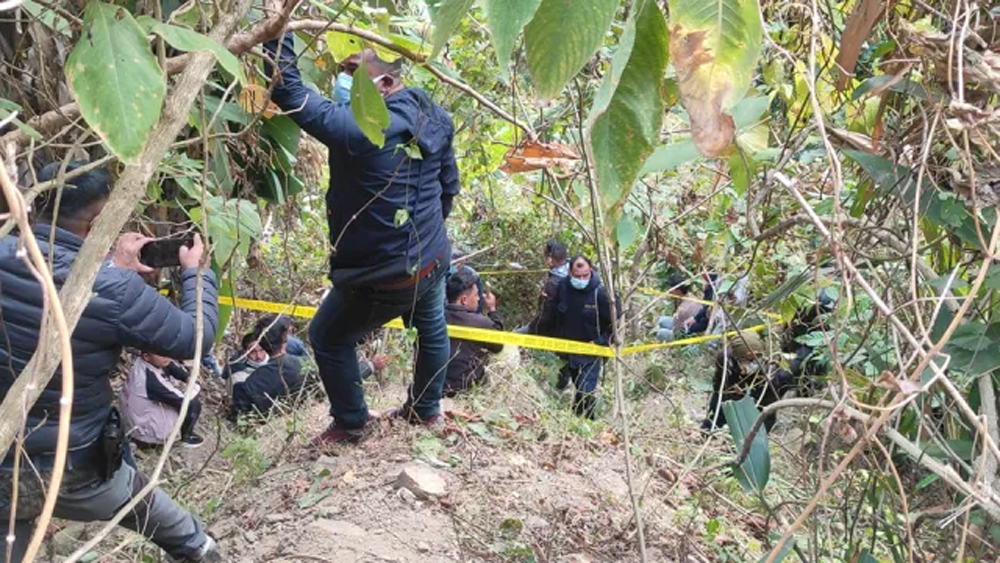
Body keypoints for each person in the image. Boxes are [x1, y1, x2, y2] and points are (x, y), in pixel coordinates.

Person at [0, 162, 221, 562]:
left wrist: (111, 268)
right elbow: (194, 337)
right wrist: (196, 274)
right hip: (75, 467)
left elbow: (56, 291)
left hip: (4, 459)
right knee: (149, 509)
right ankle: (200, 550)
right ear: (102, 219)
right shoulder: (112, 289)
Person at [264, 33, 459, 446]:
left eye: (353, 72)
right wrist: (421, 235)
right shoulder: (434, 115)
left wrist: (278, 28)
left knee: (328, 337)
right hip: (431, 257)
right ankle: (426, 412)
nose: (342, 78)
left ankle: (352, 422)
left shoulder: (364, 130)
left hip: (384, 274)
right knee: (432, 329)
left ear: (385, 86)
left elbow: (289, 91)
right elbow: (448, 189)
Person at [226, 315, 387, 420]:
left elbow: (238, 413)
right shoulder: (300, 366)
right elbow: (338, 379)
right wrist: (370, 366)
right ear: (285, 339)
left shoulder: (248, 383)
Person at [553, 255, 617, 419]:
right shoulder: (562, 288)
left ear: (591, 271)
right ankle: (576, 417)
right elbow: (555, 316)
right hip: (569, 350)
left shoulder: (601, 294)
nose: (581, 279)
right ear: (569, 273)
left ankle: (590, 422)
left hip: (592, 350)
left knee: (586, 388)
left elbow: (615, 325)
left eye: (585, 275)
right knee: (577, 385)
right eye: (577, 276)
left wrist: (600, 342)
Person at [702, 331, 793, 432]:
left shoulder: (770, 370)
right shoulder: (725, 360)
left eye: (757, 356)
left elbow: (768, 401)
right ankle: (710, 430)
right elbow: (720, 388)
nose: (754, 361)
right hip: (733, 388)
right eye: (749, 358)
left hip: (759, 393)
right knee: (721, 402)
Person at [120, 352, 204, 449]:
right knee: (193, 404)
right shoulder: (151, 381)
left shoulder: (144, 363)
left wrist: (186, 377)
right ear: (146, 356)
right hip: (145, 433)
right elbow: (185, 401)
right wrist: (196, 387)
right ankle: (186, 436)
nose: (168, 357)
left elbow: (170, 365)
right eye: (162, 355)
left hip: (134, 422)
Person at [442, 268, 504, 396]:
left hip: (433, 387)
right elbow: (498, 345)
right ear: (464, 299)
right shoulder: (482, 323)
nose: (478, 299)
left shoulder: (433, 319)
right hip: (465, 391)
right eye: (476, 295)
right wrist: (492, 309)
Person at [526, 239, 569, 336]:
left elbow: (545, 316)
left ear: (550, 259)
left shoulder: (553, 283)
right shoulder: (576, 272)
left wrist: (533, 329)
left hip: (553, 332)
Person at [655, 274, 704, 342]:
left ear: (678, 291)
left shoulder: (682, 309)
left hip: (686, 331)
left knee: (660, 333)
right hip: (690, 322)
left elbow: (677, 328)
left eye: (671, 289)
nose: (669, 291)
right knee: (662, 320)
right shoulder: (690, 295)